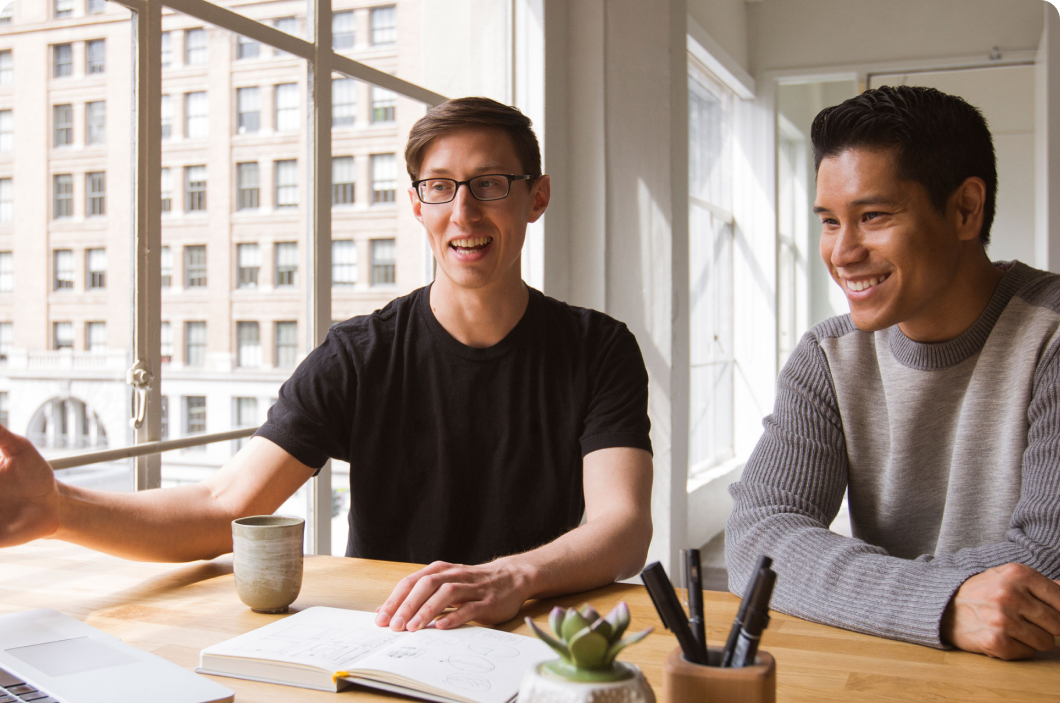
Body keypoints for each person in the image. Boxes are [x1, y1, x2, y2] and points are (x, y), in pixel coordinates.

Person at [0, 97, 654, 633]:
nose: (464, 211)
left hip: (541, 633)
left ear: (535, 198)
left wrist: (515, 577)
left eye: (490, 184)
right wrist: (59, 507)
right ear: (417, 205)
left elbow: (620, 527)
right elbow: (222, 505)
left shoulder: (597, 348)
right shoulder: (360, 355)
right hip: (394, 637)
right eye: (441, 187)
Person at [726, 85, 1060, 661]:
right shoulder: (828, 356)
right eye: (830, 221)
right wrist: (943, 601)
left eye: (873, 216)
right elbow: (757, 539)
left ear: (965, 209)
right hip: (895, 667)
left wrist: (849, 586)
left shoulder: (1050, 334)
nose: (842, 251)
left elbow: (1047, 562)